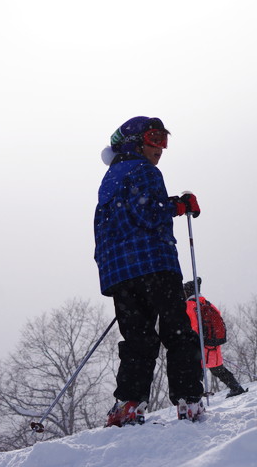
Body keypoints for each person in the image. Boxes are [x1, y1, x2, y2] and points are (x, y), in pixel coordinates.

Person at [94, 116, 205, 425]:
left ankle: (128, 403)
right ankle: (189, 399)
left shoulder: (110, 180)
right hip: (154, 263)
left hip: (120, 273)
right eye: (154, 138)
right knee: (177, 331)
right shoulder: (145, 170)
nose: (160, 148)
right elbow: (148, 213)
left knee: (138, 339)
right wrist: (178, 207)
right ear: (135, 142)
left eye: (164, 140)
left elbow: (124, 217)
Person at [183, 278, 248, 398]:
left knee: (196, 371)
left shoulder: (189, 305)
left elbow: (194, 326)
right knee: (218, 368)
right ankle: (236, 388)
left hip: (200, 344)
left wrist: (191, 342)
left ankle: (196, 397)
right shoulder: (207, 303)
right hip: (213, 343)